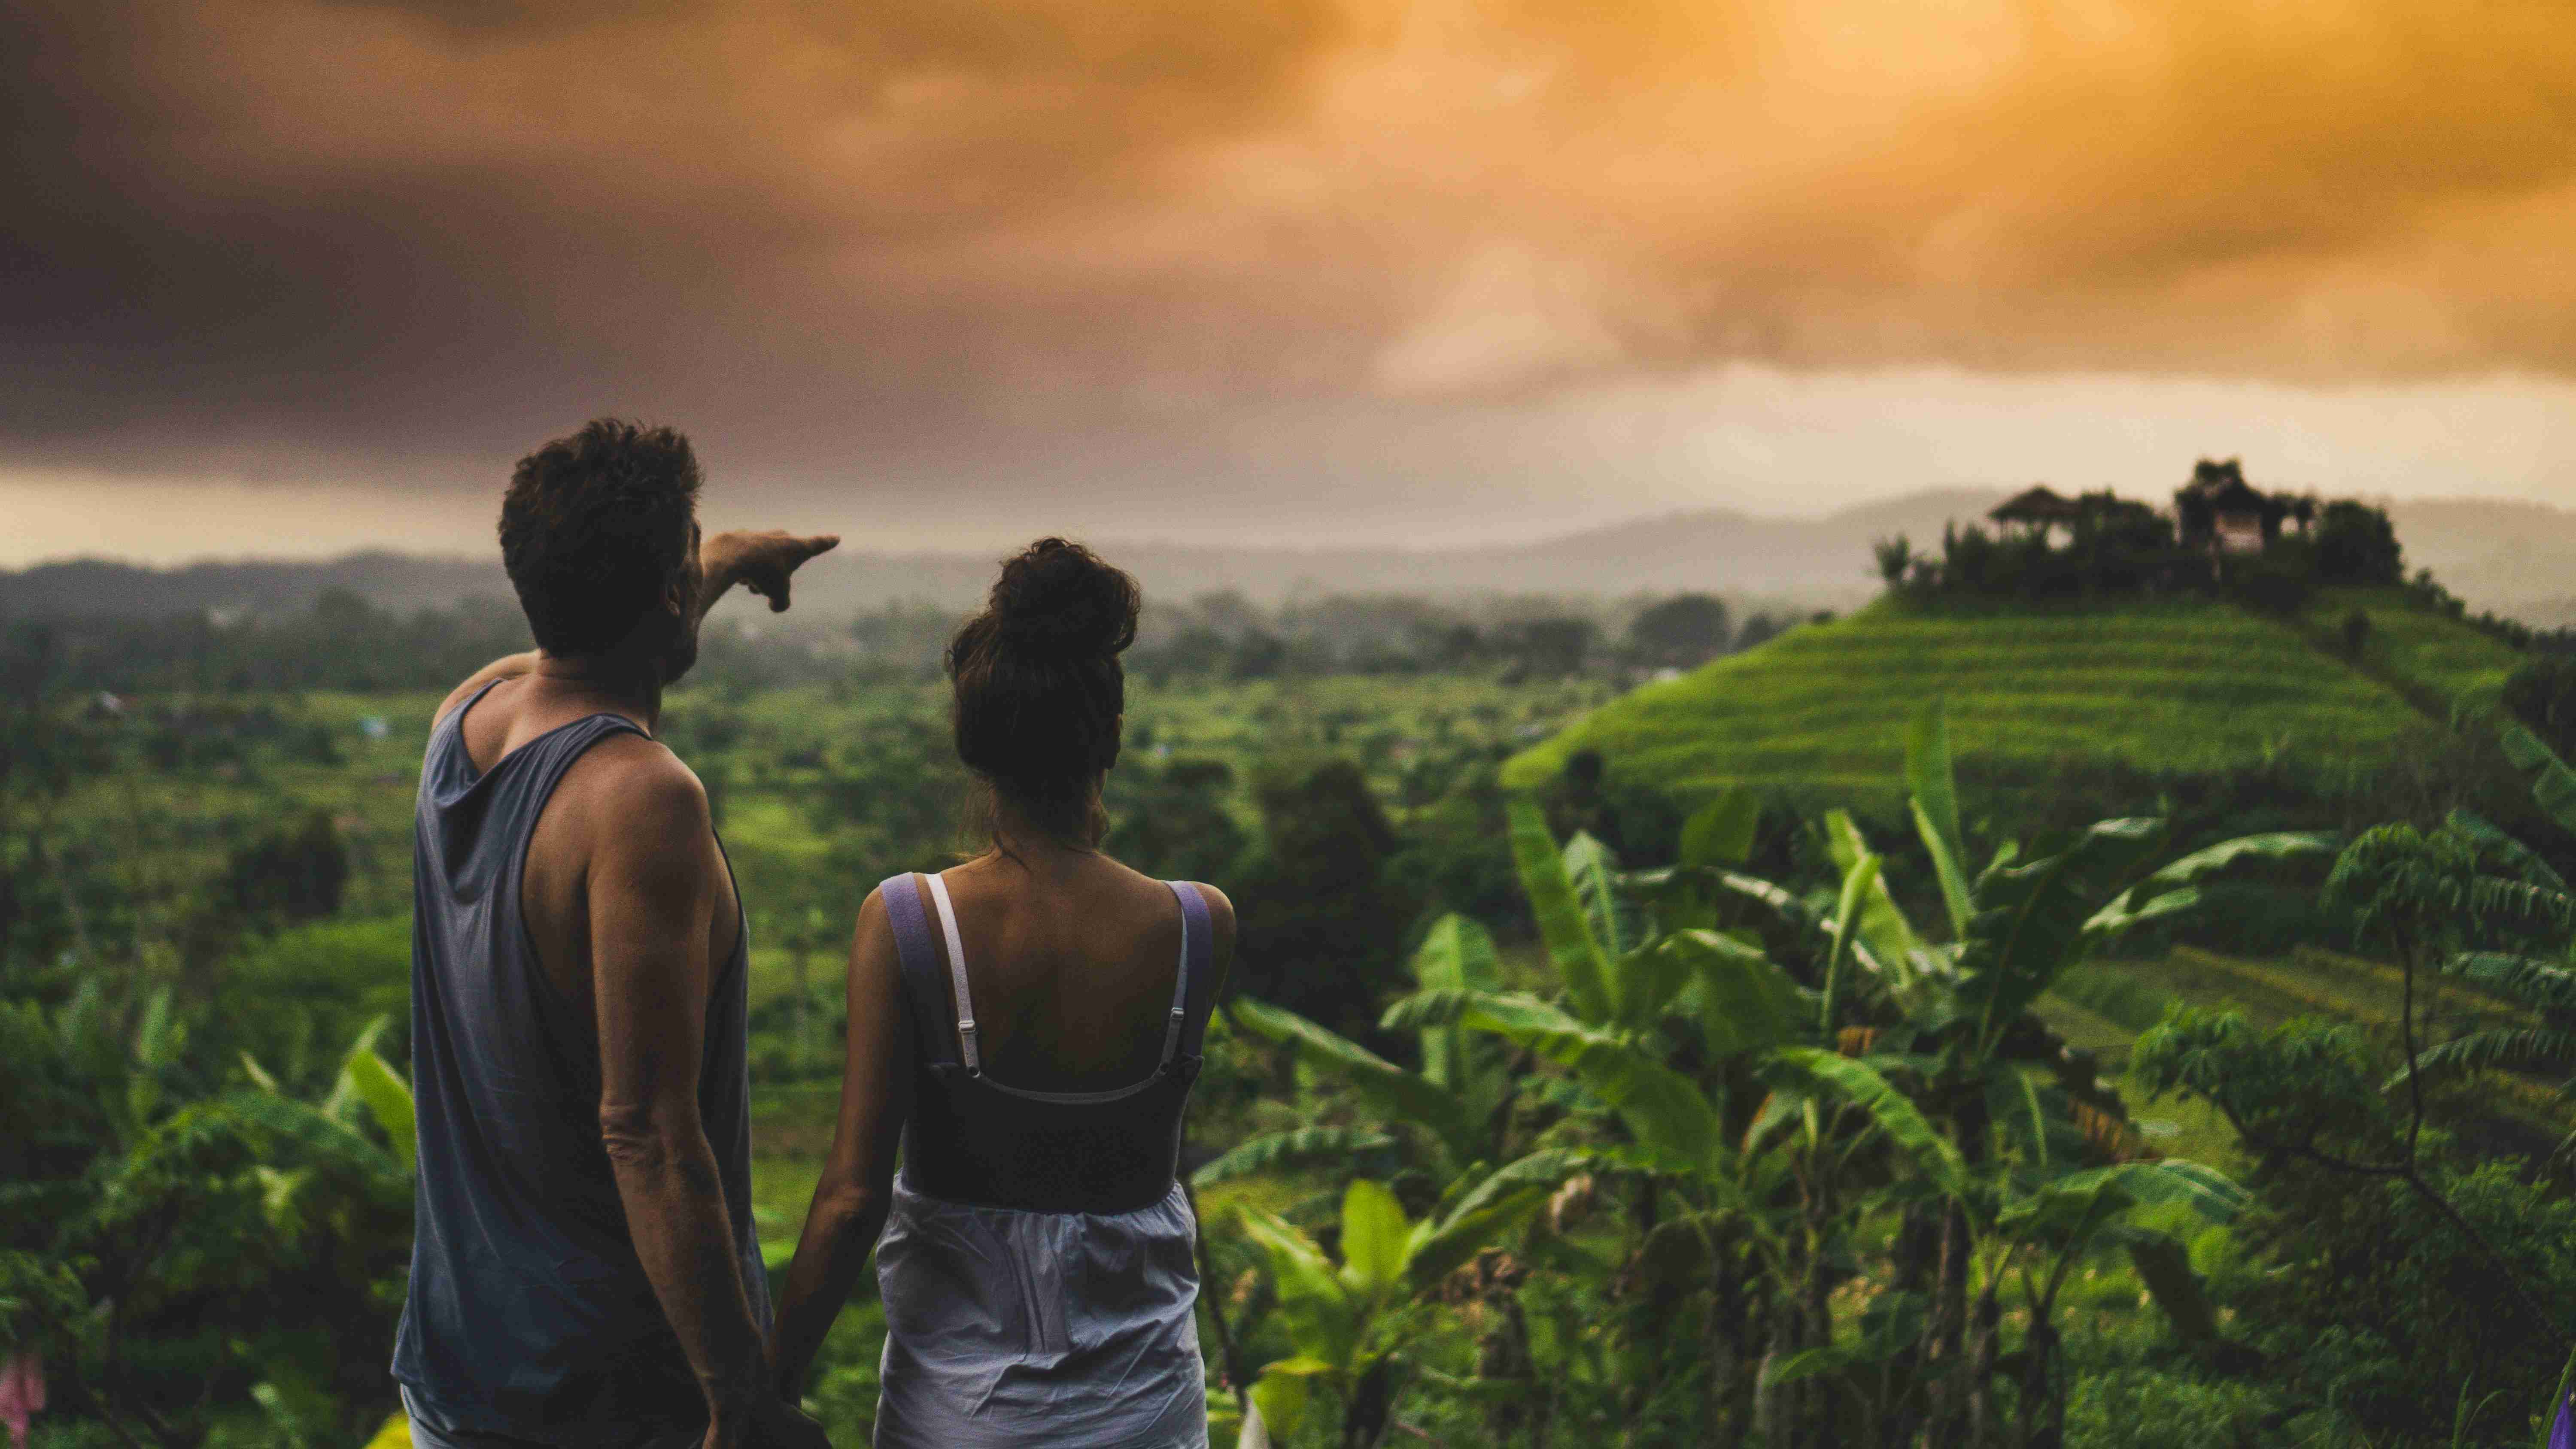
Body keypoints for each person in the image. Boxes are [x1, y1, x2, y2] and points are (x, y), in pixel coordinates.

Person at [392, 418, 838, 1449]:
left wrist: (716, 560)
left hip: (462, 1374)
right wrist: (740, 1401)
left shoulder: (462, 718)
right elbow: (647, 1129)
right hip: (610, 1397)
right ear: (670, 594)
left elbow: (575, 652)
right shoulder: (641, 798)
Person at [770, 538, 1236, 1448]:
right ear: (1111, 733)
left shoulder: (910, 921)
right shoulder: (1197, 926)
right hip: (1151, 1412)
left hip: (957, 1416)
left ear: (974, 742)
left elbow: (850, 1197)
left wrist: (762, 1390)